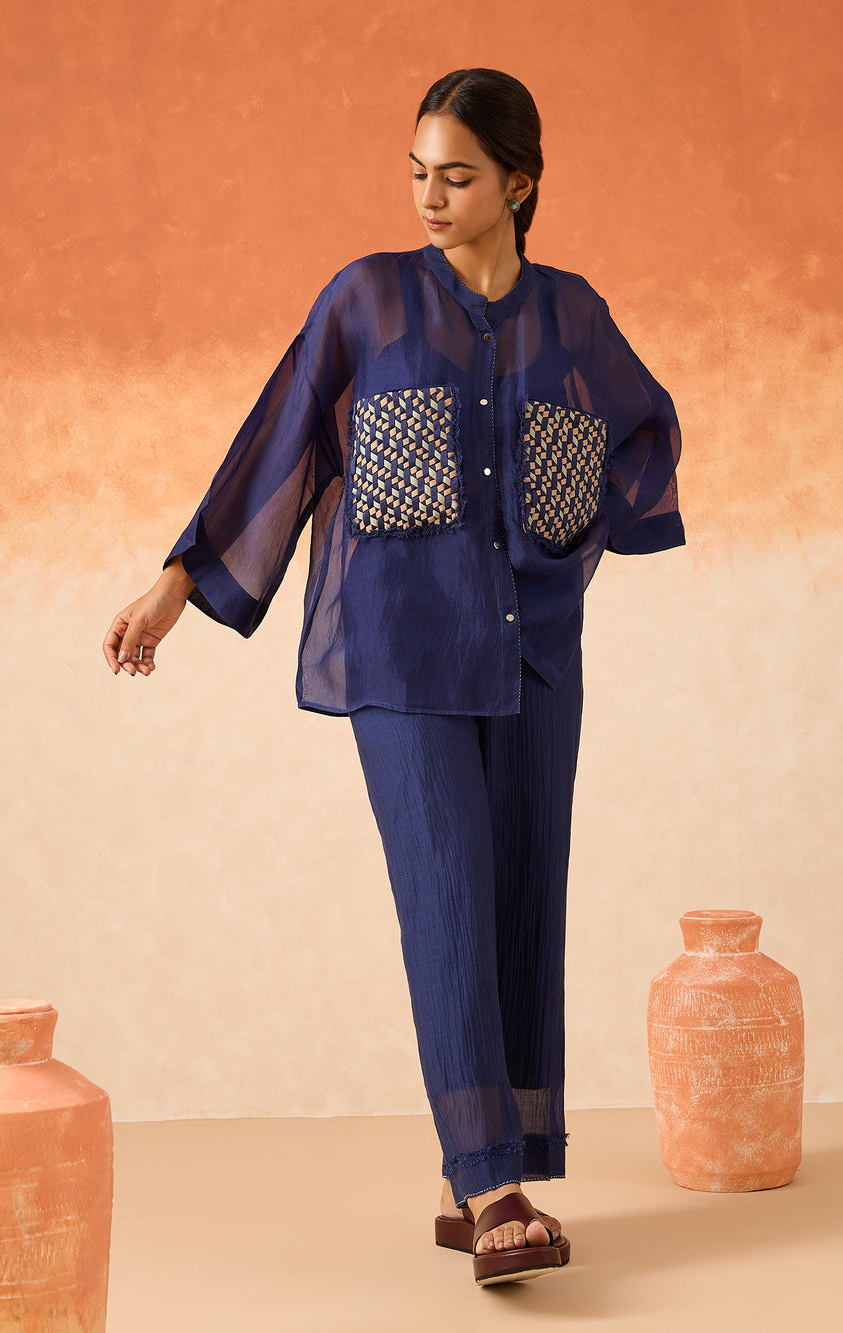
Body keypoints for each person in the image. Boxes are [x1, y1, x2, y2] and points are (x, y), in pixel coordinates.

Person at [102, 68, 684, 1286]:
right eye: (417, 172)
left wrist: (567, 520)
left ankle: (472, 1174)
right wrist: (176, 583)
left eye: (457, 176)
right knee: (447, 894)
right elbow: (281, 436)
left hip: (533, 653)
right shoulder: (367, 299)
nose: (429, 196)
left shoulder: (571, 316)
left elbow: (643, 427)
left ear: (518, 183)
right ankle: (492, 1182)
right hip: (398, 650)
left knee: (520, 897)